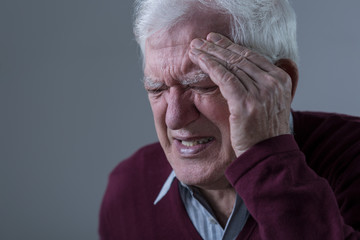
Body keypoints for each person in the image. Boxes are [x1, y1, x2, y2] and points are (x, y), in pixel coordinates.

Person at [99, 0, 360, 239]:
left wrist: (268, 158)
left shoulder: (351, 158)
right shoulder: (128, 189)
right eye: (156, 89)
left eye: (202, 85)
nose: (174, 118)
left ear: (281, 83)